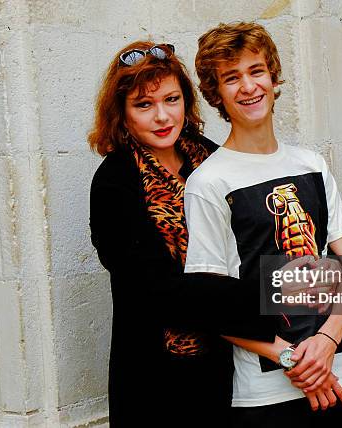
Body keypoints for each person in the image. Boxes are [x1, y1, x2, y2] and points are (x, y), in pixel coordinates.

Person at [88, 40, 328, 427]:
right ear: (123, 114)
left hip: (233, 366)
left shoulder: (210, 157)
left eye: (172, 99)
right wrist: (277, 292)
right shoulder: (115, 180)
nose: (162, 116)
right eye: (144, 105)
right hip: (162, 377)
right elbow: (159, 291)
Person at [185, 22, 342, 427]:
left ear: (272, 76)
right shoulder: (208, 182)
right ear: (216, 93)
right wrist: (292, 359)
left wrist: (326, 341)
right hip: (268, 393)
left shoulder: (313, 165)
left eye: (256, 71)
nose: (248, 86)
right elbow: (207, 303)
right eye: (231, 78)